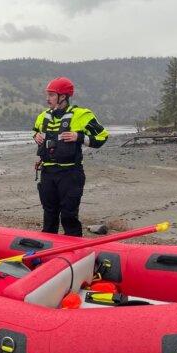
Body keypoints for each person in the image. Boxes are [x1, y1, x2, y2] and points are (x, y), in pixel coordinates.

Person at [33, 77, 108, 236]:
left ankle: (75, 250)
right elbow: (37, 133)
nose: (48, 99)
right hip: (47, 173)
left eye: (52, 95)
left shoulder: (82, 115)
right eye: (47, 95)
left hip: (70, 174)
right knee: (49, 215)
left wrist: (79, 137)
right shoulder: (42, 116)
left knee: (69, 216)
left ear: (63, 97)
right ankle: (49, 249)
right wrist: (36, 137)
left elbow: (102, 137)